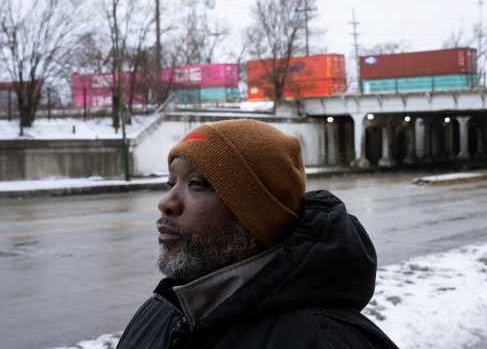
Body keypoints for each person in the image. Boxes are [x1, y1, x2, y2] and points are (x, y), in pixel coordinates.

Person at [117, 118, 399, 349]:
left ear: (256, 216)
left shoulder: (323, 340)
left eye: (196, 184)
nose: (166, 202)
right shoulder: (159, 311)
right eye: (171, 182)